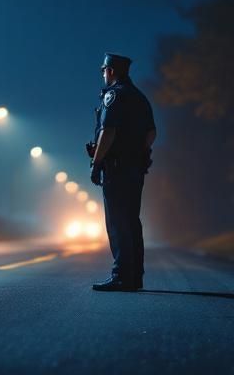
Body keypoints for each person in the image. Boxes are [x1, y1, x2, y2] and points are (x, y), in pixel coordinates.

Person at [87, 53, 156, 292]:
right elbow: (151, 133)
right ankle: (135, 276)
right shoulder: (139, 97)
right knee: (132, 221)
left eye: (103, 70)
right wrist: (139, 153)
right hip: (136, 168)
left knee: (117, 223)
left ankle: (121, 276)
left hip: (116, 168)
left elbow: (108, 131)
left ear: (111, 71)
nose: (103, 74)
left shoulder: (114, 95)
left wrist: (97, 163)